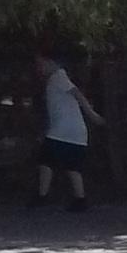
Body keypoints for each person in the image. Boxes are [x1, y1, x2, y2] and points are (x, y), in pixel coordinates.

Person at [32, 47, 102, 209]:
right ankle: (80, 199)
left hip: (63, 130)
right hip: (72, 131)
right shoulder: (55, 79)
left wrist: (92, 114)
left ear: (50, 62)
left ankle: (42, 196)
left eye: (41, 63)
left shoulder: (59, 77)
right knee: (72, 166)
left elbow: (77, 94)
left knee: (46, 161)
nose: (39, 68)